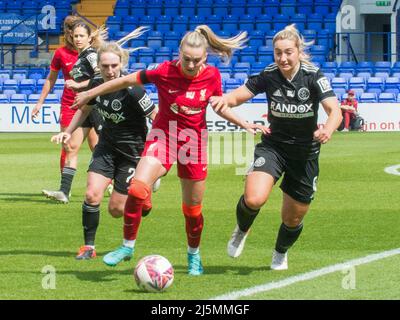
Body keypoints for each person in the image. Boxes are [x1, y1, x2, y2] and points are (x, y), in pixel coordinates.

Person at [73, 25, 267, 275]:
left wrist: (243, 122)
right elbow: (123, 80)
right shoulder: (163, 71)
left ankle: (193, 255)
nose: (190, 64)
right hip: (163, 136)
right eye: (186, 59)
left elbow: (219, 105)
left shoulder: (212, 76)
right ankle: (127, 246)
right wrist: (90, 92)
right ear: (179, 54)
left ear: (204, 58)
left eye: (196, 60)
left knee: (192, 209)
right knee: (137, 188)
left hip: (193, 143)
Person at [210, 24, 342, 270]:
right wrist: (224, 99)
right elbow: (239, 95)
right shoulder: (269, 74)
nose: (283, 58)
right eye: (278, 53)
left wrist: (328, 128)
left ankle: (280, 252)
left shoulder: (314, 75)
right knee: (254, 198)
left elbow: (334, 110)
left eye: (288, 52)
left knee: (292, 218)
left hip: (305, 154)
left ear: (298, 51)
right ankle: (242, 229)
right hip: (274, 147)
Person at [51, 27, 158, 260]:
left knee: (116, 210)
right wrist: (67, 132)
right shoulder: (96, 84)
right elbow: (84, 109)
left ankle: (144, 194)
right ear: (98, 66)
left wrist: (163, 146)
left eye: (114, 66)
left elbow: (157, 117)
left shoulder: (134, 91)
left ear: (121, 65)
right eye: (105, 66)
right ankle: (88, 248)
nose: (110, 71)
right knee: (91, 195)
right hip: (106, 148)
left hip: (132, 153)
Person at [32, 15, 99, 204]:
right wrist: (40, 102)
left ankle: (131, 177)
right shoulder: (62, 54)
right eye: (72, 32)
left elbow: (101, 77)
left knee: (100, 147)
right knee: (70, 146)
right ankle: (64, 191)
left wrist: (80, 86)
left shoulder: (91, 54)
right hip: (76, 107)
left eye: (79, 34)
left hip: (95, 105)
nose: (75, 36)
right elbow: (51, 79)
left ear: (87, 36)